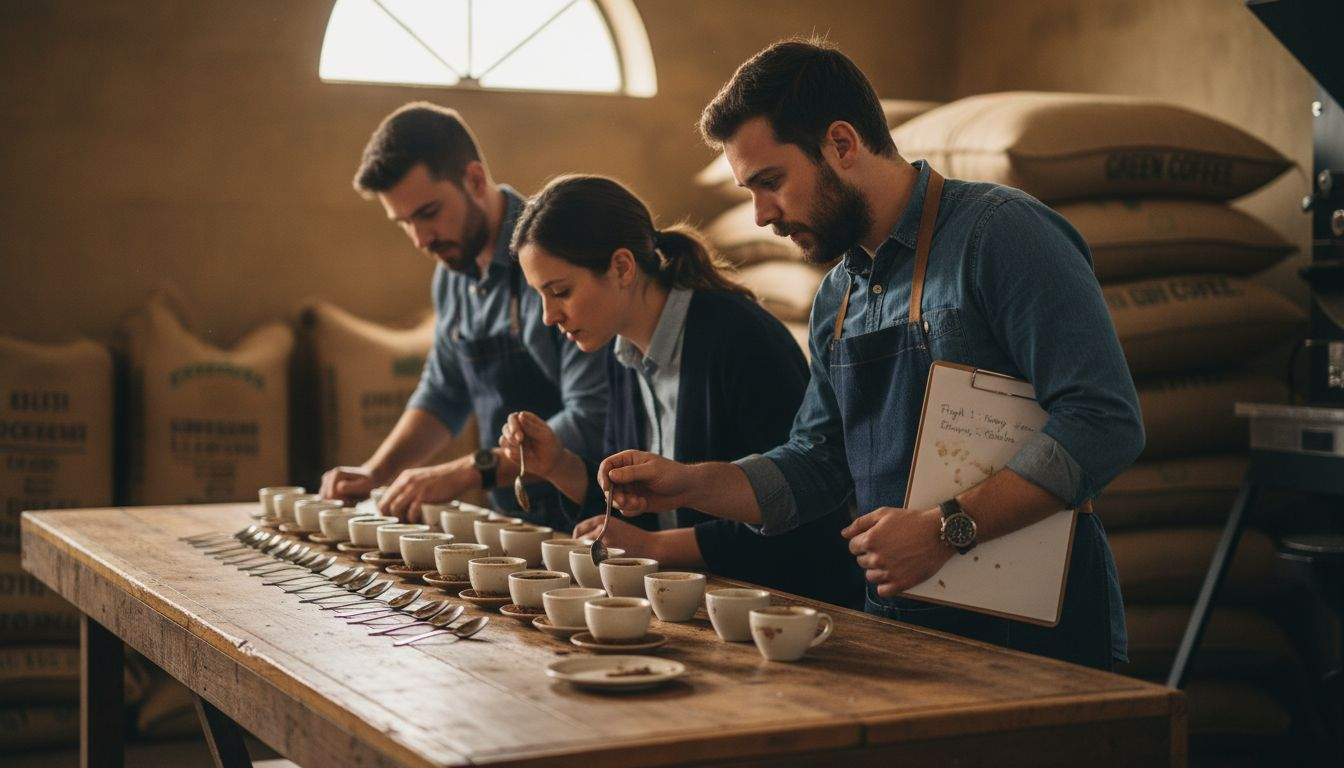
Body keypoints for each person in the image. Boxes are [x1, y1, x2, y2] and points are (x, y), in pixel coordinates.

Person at [598, 39, 1144, 670]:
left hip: (1036, 633)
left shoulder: (1001, 235)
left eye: (770, 182)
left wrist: (945, 530)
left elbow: (1104, 421)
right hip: (903, 620)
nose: (760, 215)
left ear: (841, 144)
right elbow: (817, 464)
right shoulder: (838, 294)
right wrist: (689, 481)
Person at [498, 174, 862, 607]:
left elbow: (799, 513)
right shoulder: (622, 352)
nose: (548, 316)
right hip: (691, 604)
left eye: (560, 292)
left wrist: (656, 550)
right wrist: (556, 464)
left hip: (785, 608)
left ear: (621, 267)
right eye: (540, 295)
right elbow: (638, 509)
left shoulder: (740, 339)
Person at [319, 102, 609, 529]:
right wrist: (376, 473)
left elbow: (591, 416)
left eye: (428, 213)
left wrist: (462, 473)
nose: (420, 239)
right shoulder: (451, 275)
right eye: (403, 222)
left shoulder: (553, 258)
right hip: (512, 521)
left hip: (586, 519)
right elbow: (444, 392)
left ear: (474, 180)